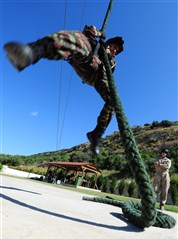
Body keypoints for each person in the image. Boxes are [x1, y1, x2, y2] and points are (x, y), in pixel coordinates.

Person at [3, 25, 124, 155]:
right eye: (114, 47)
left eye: (117, 50)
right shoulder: (97, 44)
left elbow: (107, 76)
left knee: (113, 99)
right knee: (80, 39)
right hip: (86, 61)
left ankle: (96, 134)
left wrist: (107, 57)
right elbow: (88, 31)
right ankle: (31, 53)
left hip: (97, 77)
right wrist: (99, 34)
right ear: (109, 43)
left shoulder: (112, 63)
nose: (115, 51)